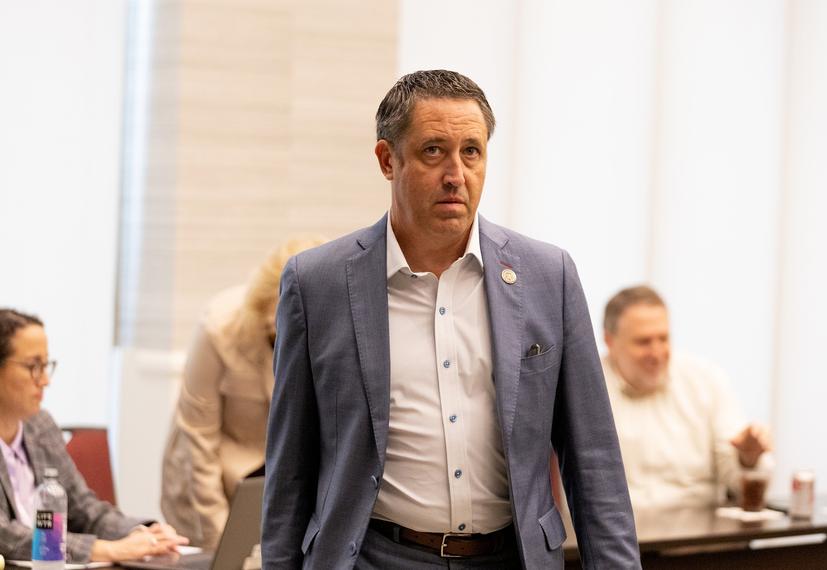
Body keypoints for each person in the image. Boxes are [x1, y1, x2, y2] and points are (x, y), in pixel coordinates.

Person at [262, 70, 640, 569]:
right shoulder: (317, 283)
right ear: (387, 160)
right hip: (374, 556)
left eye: (472, 152)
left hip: (511, 556)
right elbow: (289, 470)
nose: (456, 175)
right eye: (433, 151)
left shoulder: (549, 276)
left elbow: (594, 462)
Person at [161, 239, 322, 549]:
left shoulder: (334, 327)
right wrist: (223, 545)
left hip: (279, 479)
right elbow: (199, 443)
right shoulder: (220, 326)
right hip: (209, 480)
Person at [0, 308, 188, 562]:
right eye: (33, 366)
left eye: (46, 366)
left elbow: (85, 508)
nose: (45, 380)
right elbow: (5, 536)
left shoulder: (40, 426)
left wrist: (141, 533)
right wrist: (106, 550)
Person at [601, 285, 773, 510]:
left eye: (663, 339)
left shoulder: (704, 379)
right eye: (643, 342)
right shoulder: (583, 388)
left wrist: (747, 459)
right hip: (620, 536)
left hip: (699, 535)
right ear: (610, 341)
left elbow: (739, 484)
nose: (657, 353)